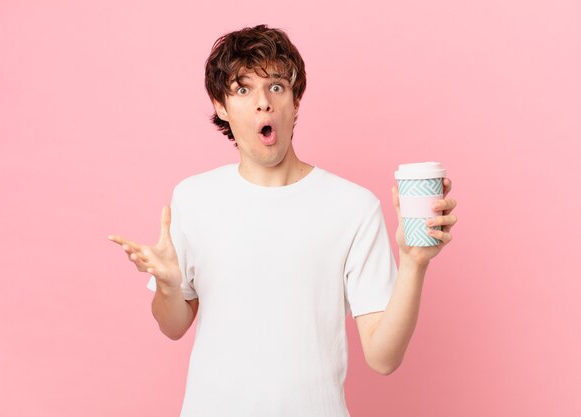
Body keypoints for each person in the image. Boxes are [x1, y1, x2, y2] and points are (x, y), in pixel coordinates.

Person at [108, 24, 458, 417]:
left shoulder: (354, 207)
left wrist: (413, 263)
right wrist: (170, 288)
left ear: (295, 101)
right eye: (243, 90)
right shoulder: (193, 198)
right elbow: (172, 326)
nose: (263, 103)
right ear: (220, 105)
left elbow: (383, 358)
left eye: (276, 86)